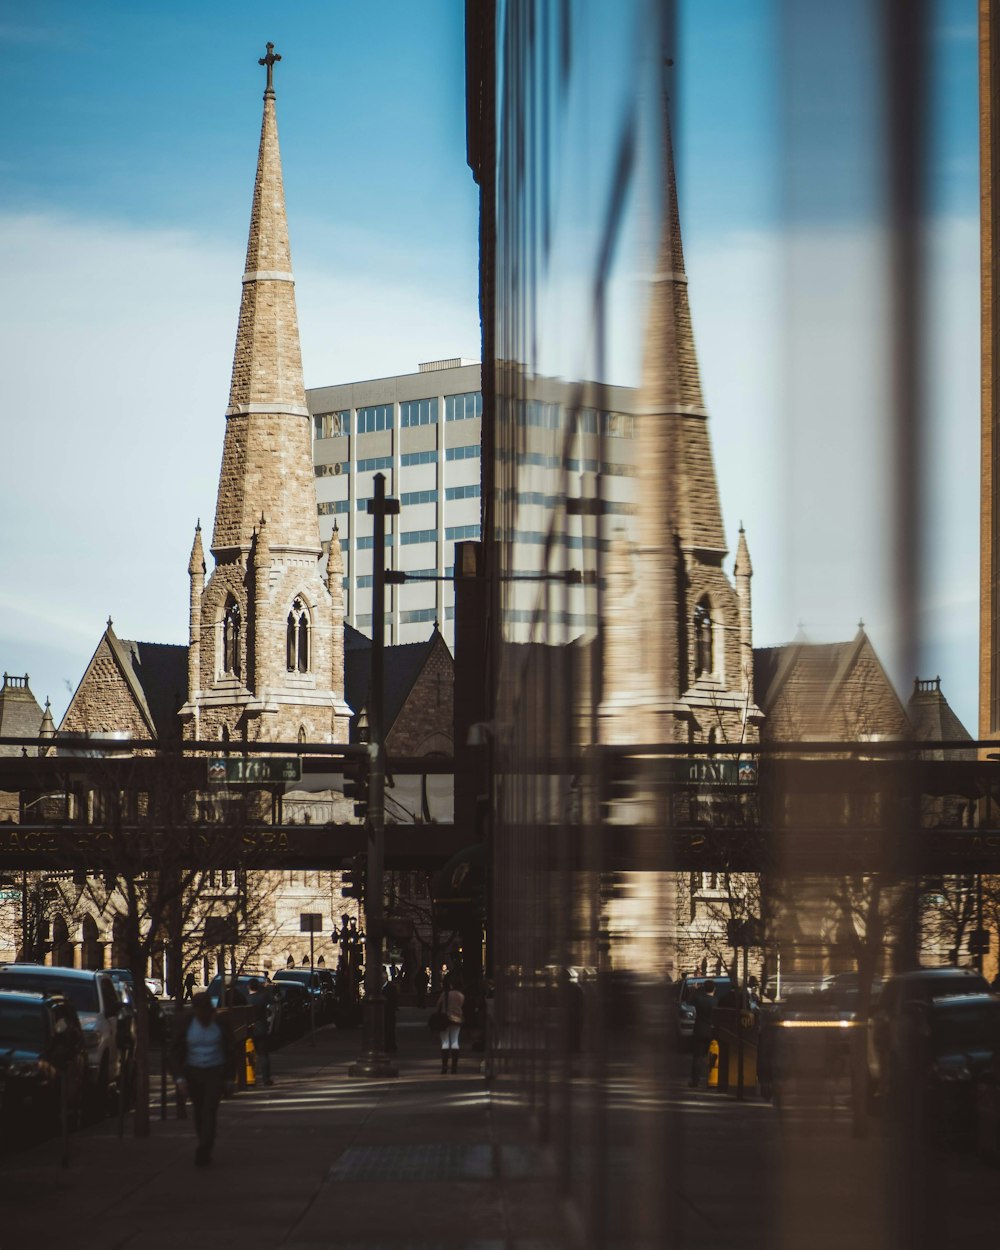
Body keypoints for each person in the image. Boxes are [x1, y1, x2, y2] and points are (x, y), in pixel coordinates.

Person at [170, 992, 236, 1165]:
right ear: (195, 1011)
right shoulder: (186, 1024)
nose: (204, 1016)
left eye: (207, 1012)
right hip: (194, 1072)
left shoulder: (220, 1024)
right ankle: (203, 1141)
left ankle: (204, 1147)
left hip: (215, 1072)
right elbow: (175, 1052)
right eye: (200, 1012)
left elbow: (231, 1051)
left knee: (210, 1110)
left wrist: (229, 1078)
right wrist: (179, 1079)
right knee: (199, 1111)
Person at [689, 979, 717, 1089]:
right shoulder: (716, 1001)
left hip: (700, 1030)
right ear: (714, 988)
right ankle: (712, 1078)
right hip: (712, 1030)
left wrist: (695, 990)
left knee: (698, 1057)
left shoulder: (699, 999)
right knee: (713, 1055)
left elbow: (690, 1001)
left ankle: (695, 1080)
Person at [436, 973, 464, 1074]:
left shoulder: (445, 994)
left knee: (445, 1042)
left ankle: (444, 1066)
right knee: (455, 1041)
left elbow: (438, 1005)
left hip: (445, 1019)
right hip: (457, 1019)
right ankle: (454, 1067)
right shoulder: (461, 995)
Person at [248, 978, 274, 1086]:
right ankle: (266, 1079)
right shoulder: (262, 997)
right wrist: (266, 987)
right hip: (261, 1028)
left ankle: (250, 1078)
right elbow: (271, 999)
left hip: (249, 1029)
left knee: (249, 1054)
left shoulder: (247, 999)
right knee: (263, 1054)